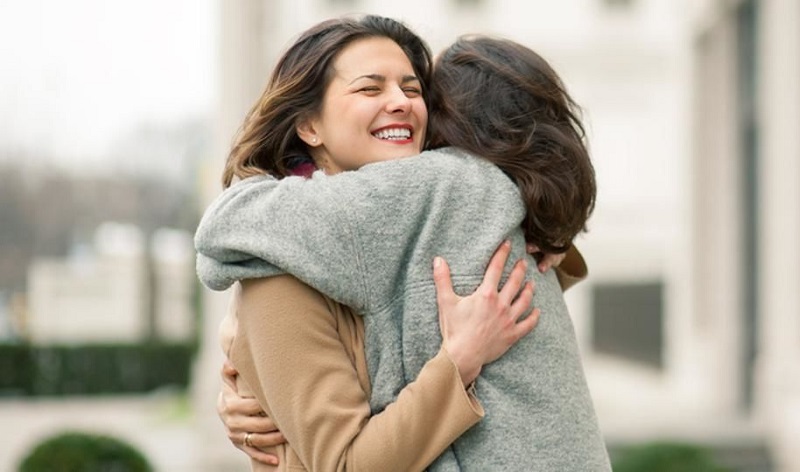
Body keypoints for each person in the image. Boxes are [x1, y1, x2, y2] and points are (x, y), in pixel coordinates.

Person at [196, 16, 610, 472]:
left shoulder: (427, 223)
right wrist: (460, 359)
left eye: (413, 90)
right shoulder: (277, 275)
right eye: (369, 89)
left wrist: (544, 230)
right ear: (309, 126)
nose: (400, 103)